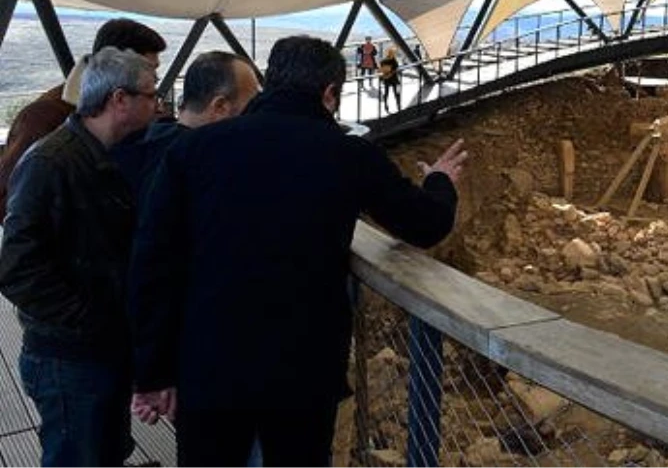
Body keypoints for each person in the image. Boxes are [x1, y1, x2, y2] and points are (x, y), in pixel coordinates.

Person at [128, 35, 466, 466]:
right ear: (328, 93)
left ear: (271, 82)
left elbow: (152, 265)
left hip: (208, 363)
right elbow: (425, 224)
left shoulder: (192, 149)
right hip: (303, 370)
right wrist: (440, 181)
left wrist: (152, 374)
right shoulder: (347, 154)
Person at [0, 48, 160, 467]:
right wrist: (89, 319)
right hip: (68, 357)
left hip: (95, 350)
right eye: (151, 94)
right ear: (119, 100)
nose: (158, 104)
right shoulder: (52, 162)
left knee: (104, 451)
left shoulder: (100, 154)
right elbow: (17, 269)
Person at [0, 18, 166, 221]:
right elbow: (10, 202)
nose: (154, 79)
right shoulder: (43, 118)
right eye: (149, 68)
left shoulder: (136, 119)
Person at [113, 51, 260, 198]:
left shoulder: (140, 148)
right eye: (252, 106)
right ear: (219, 106)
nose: (257, 116)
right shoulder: (204, 166)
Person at [378, 46, 401, 113]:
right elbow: (396, 69)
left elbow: (381, 70)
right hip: (394, 79)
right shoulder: (394, 61)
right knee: (397, 92)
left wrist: (382, 77)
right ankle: (398, 105)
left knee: (386, 93)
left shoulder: (382, 61)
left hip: (386, 79)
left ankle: (385, 105)